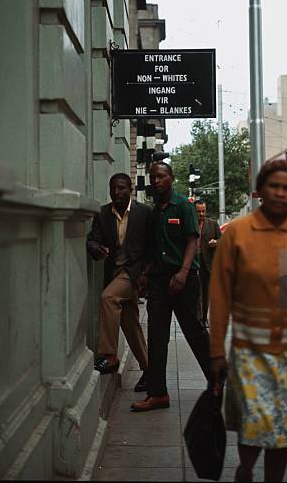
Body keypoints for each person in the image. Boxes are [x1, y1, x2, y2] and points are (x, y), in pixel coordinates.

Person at [209, 159, 287, 483]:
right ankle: (246, 469)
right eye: (274, 186)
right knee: (253, 424)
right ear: (260, 190)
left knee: (285, 428)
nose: (280, 193)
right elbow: (220, 296)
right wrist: (215, 352)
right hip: (250, 351)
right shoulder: (238, 233)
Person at [131, 162, 211, 412]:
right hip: (159, 281)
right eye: (153, 177)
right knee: (157, 337)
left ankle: (218, 381)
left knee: (195, 333)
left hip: (184, 279)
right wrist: (145, 274)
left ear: (171, 179)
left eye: (161, 176)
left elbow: (192, 242)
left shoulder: (184, 206)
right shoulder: (155, 213)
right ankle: (157, 394)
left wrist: (184, 272)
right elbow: (154, 250)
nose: (156, 181)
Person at [87, 173, 151, 392]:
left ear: (130, 189)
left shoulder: (144, 213)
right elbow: (92, 239)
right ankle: (149, 371)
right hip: (114, 273)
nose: (117, 192)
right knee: (130, 324)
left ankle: (110, 356)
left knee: (108, 297)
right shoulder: (103, 213)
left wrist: (145, 274)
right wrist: (95, 248)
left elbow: (152, 247)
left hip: (134, 274)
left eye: (121, 188)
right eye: (113, 188)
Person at [193, 199, 221, 328]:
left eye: (203, 211)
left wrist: (216, 242)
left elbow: (221, 239)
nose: (201, 214)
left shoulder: (213, 224)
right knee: (196, 292)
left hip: (207, 263)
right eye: (199, 211)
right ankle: (198, 317)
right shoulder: (189, 223)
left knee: (206, 292)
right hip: (193, 261)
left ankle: (204, 318)